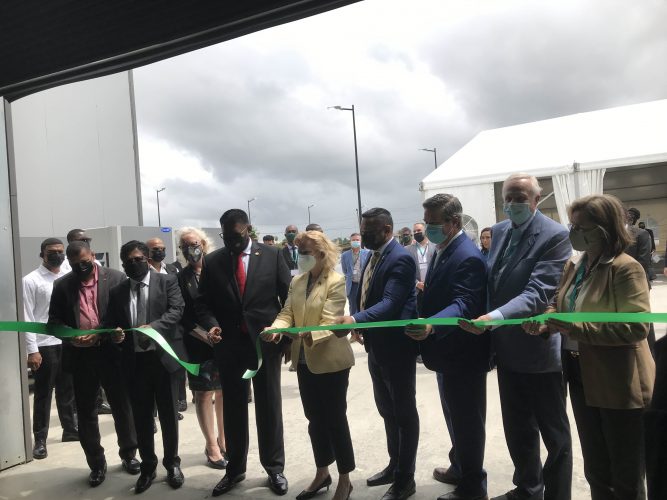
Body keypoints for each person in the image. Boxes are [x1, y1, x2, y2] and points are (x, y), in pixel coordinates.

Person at [523, 194, 655, 500]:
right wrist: (545, 321)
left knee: (625, 473)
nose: (574, 231)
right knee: (596, 468)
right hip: (582, 375)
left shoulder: (626, 268)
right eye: (572, 224)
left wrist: (572, 327)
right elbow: (558, 304)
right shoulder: (577, 263)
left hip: (619, 382)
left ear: (605, 227)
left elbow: (636, 327)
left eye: (581, 225)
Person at [460, 173, 573, 500]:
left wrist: (492, 318)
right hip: (506, 349)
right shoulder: (497, 231)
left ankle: (557, 495)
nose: (512, 204)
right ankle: (527, 489)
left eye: (520, 198)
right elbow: (491, 281)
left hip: (538, 351)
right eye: (507, 198)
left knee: (554, 435)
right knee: (518, 428)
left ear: (537, 200)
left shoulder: (554, 236)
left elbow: (538, 292)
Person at [195, 209, 291, 497]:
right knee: (234, 409)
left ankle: (275, 469)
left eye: (236, 236)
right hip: (230, 347)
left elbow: (287, 299)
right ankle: (234, 469)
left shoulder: (272, 256)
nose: (231, 242)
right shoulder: (213, 261)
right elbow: (202, 304)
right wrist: (211, 326)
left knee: (269, 406)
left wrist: (284, 338)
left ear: (248, 229)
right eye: (225, 236)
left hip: (265, 344)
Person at [406, 194, 489, 500]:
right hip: (446, 353)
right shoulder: (446, 248)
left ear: (454, 222)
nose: (427, 228)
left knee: (467, 421)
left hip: (463, 354)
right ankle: (460, 467)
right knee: (455, 416)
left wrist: (431, 323)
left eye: (433, 222)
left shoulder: (466, 255)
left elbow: (464, 303)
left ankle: (473, 487)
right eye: (426, 221)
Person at [335, 207, 419, 500]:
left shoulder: (401, 258)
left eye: (368, 230)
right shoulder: (374, 255)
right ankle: (394, 465)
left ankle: (405, 479)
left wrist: (355, 320)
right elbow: (366, 293)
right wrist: (361, 323)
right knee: (387, 411)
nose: (362, 235)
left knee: (404, 413)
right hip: (376, 346)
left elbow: (391, 302)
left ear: (386, 230)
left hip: (397, 348)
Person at [264, 230, 355, 500]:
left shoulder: (336, 281)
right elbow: (287, 312)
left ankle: (345, 478)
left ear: (320, 253)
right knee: (314, 419)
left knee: (335, 420)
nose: (299, 257)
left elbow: (331, 319)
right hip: (304, 359)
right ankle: (322, 472)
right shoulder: (298, 281)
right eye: (297, 251)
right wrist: (277, 328)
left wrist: (309, 334)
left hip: (332, 361)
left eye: (304, 252)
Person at [48, 241, 139, 486]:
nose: (82, 268)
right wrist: (71, 335)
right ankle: (96, 463)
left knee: (122, 406)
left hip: (112, 353)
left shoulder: (117, 278)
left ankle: (129, 454)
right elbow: (53, 322)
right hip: (80, 357)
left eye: (86, 262)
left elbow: (125, 314)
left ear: (93, 256)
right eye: (76, 265)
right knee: (87, 411)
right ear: (69, 262)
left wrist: (101, 332)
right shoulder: (62, 285)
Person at [104, 240, 186, 493]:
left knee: (169, 417)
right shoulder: (118, 291)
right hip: (135, 364)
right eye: (128, 261)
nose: (134, 264)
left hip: (163, 361)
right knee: (141, 419)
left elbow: (177, 310)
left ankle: (172, 463)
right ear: (123, 264)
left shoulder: (166, 281)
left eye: (138, 259)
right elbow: (112, 323)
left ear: (148, 259)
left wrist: (154, 328)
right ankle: (148, 467)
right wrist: (115, 334)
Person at [175, 227, 227, 469]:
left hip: (224, 340)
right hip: (197, 344)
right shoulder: (180, 278)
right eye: (185, 246)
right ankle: (212, 446)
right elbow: (182, 315)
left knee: (224, 392)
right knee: (204, 394)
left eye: (194, 244)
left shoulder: (219, 269)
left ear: (204, 244)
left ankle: (224, 441)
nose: (190, 249)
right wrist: (202, 334)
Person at [23, 237, 78, 460]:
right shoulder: (31, 280)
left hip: (66, 341)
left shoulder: (68, 276)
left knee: (68, 390)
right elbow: (26, 317)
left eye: (60, 251)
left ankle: (70, 430)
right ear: (42, 254)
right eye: (51, 252)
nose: (57, 255)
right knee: (44, 394)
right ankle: (40, 439)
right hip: (44, 345)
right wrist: (31, 349)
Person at [146, 237, 186, 414]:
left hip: (172, 324)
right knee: (154, 370)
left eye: (162, 248)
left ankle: (177, 401)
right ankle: (153, 407)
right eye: (155, 249)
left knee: (175, 368)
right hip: (151, 325)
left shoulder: (172, 269)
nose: (159, 252)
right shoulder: (141, 270)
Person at [406, 222, 436, 308]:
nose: (416, 233)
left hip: (432, 289)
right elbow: (406, 271)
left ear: (425, 231)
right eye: (414, 231)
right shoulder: (408, 249)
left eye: (419, 230)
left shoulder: (435, 247)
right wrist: (417, 283)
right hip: (416, 291)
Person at [340, 233, 370, 315]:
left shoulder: (368, 253)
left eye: (357, 240)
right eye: (353, 240)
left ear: (361, 241)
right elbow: (345, 270)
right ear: (350, 241)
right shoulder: (344, 255)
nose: (355, 241)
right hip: (352, 285)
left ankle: (364, 325)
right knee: (353, 307)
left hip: (365, 284)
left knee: (365, 306)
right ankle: (353, 326)